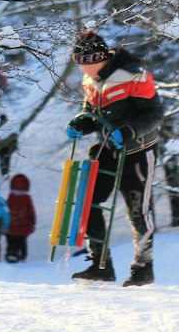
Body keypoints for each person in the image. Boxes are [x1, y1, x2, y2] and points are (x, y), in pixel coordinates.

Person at [65, 27, 164, 286]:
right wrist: (80, 124)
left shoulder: (133, 75)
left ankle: (143, 269)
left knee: (137, 211)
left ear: (97, 60)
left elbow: (155, 115)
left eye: (83, 64)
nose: (81, 70)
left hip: (138, 151)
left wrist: (128, 131)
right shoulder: (91, 80)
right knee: (89, 202)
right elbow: (91, 112)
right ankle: (100, 265)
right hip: (108, 149)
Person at [5, 173, 36, 262]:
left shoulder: (11, 197)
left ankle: (11, 253)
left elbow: (7, 209)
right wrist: (33, 222)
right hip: (24, 224)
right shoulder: (26, 197)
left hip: (12, 223)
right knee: (22, 240)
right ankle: (22, 255)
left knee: (11, 240)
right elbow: (31, 211)